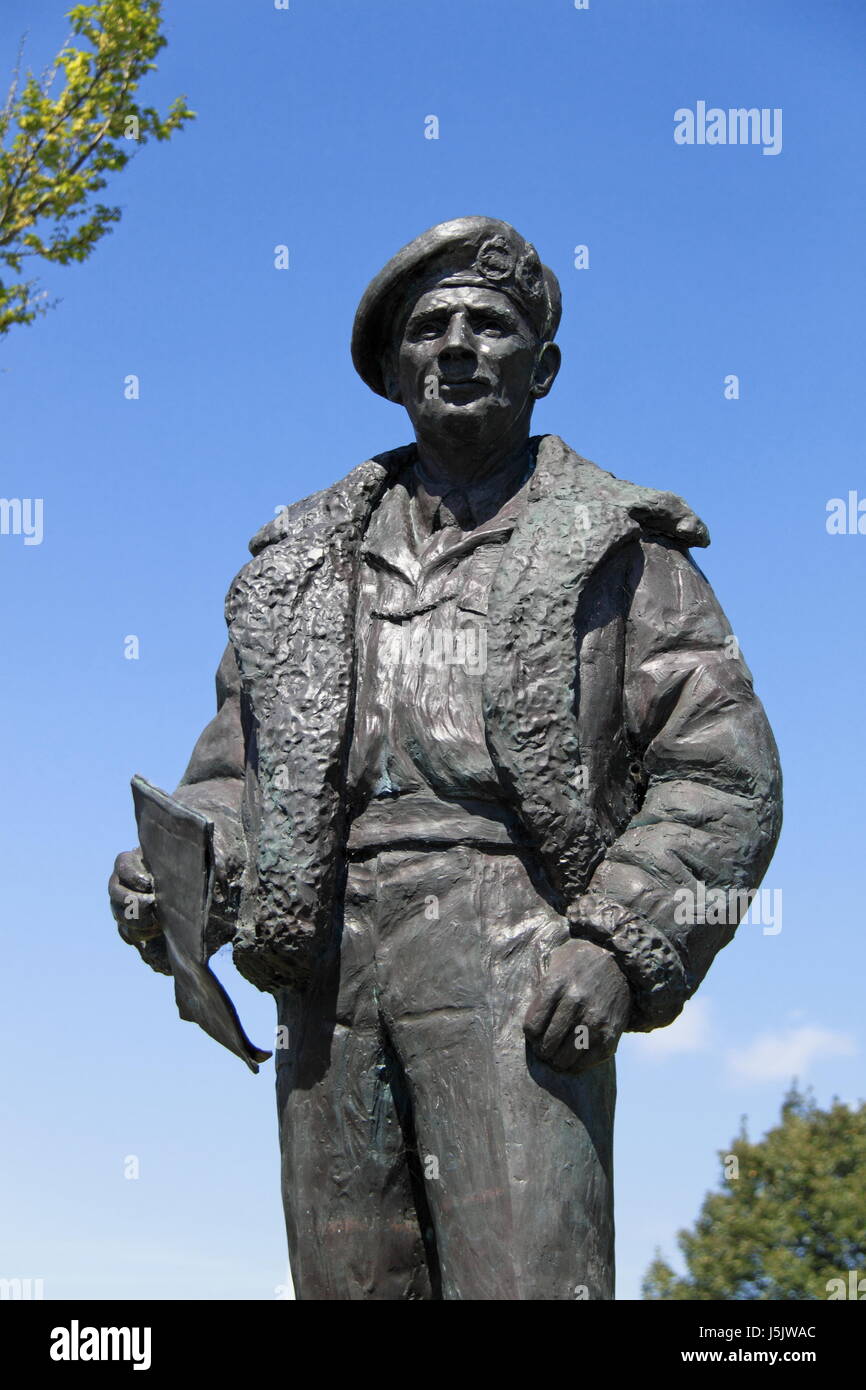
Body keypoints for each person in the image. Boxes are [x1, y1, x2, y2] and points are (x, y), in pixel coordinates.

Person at [110, 216, 782, 1300]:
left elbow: (722, 773)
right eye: (430, 327)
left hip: (516, 945)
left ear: (542, 367)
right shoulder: (301, 566)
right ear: (392, 369)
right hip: (327, 959)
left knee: (525, 1279)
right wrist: (183, 866)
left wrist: (616, 942)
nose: (457, 345)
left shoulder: (622, 552)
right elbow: (236, 774)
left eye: (489, 324)